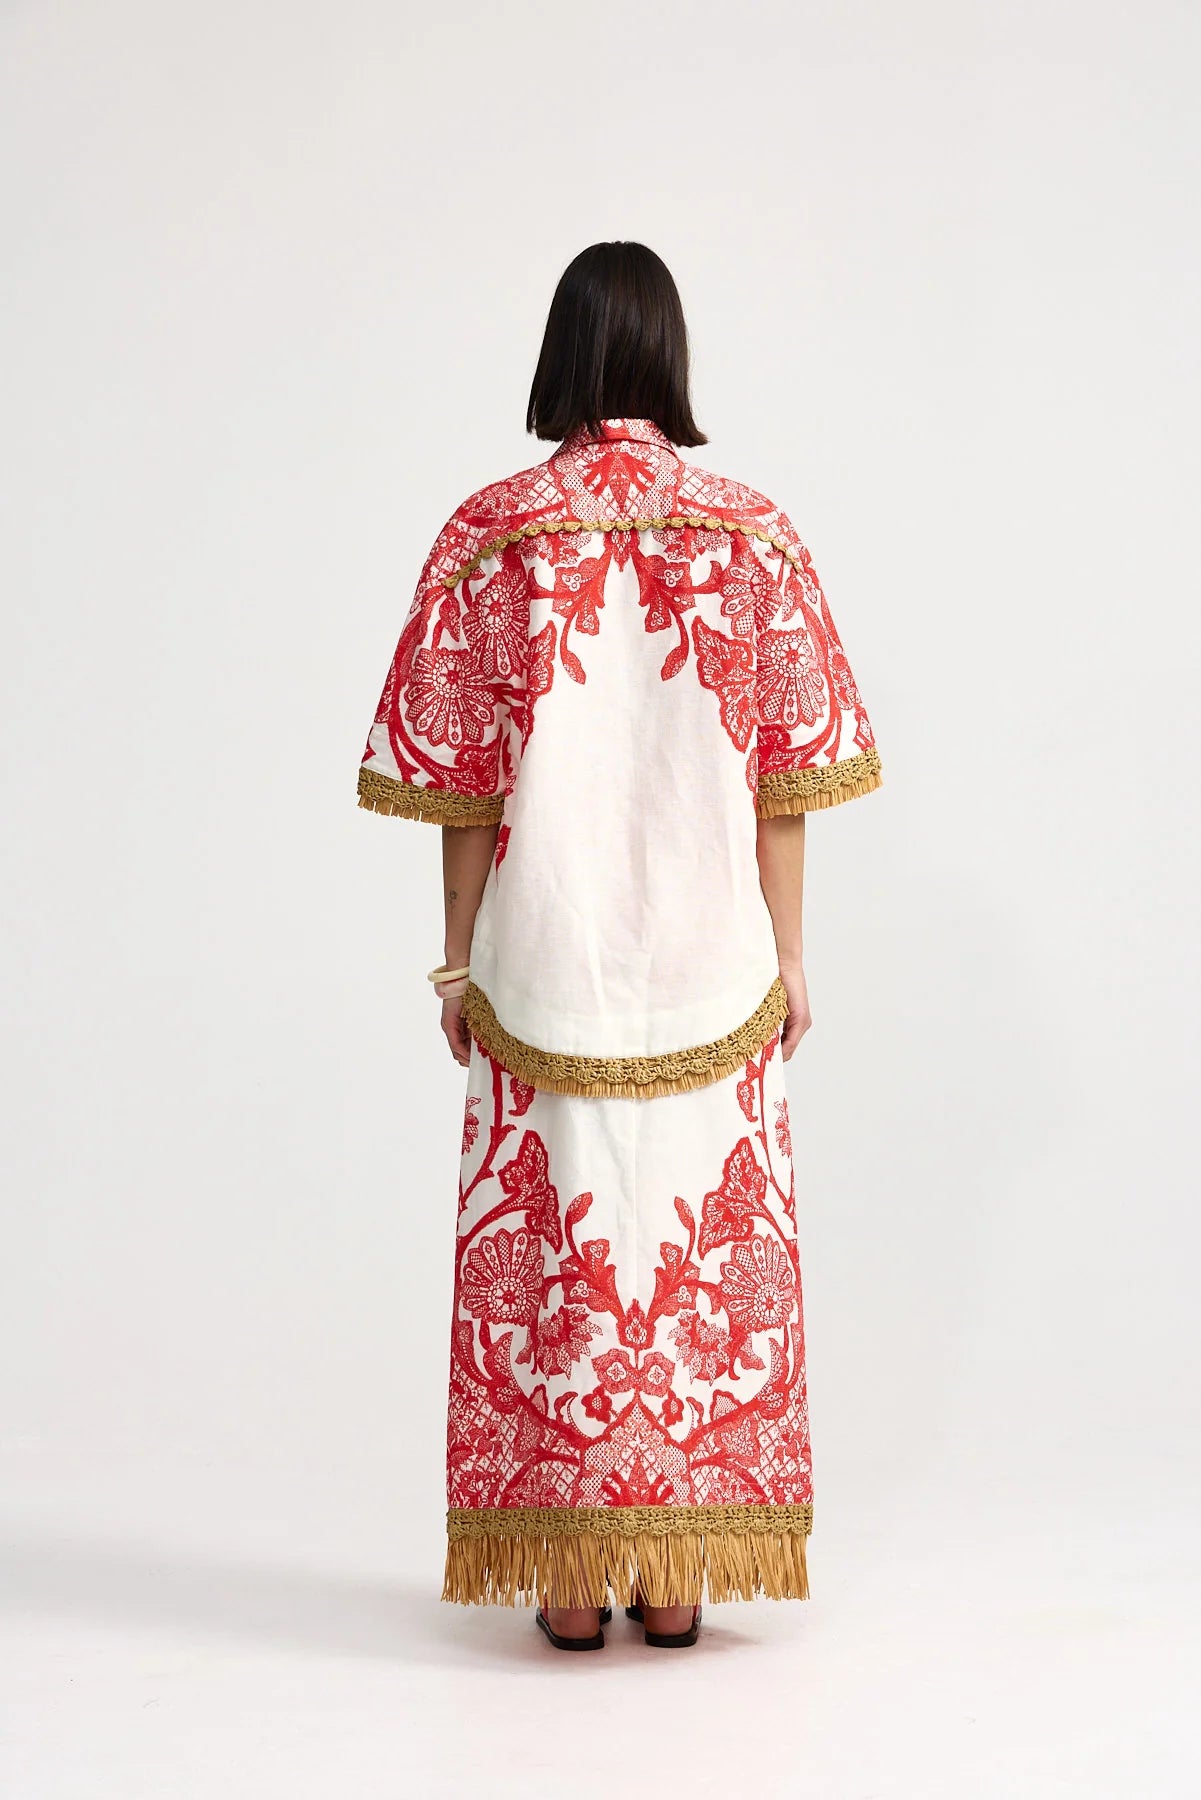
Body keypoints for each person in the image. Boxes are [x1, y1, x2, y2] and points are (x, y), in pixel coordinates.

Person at [357, 241, 882, 1652]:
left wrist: (457, 963)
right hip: (711, 957)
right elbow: (788, 780)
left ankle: (568, 1584)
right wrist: (789, 956)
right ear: (668, 355)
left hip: (547, 957)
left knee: (559, 1259)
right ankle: (681, 1577)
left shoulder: (490, 531)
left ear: (562, 355)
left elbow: (457, 787)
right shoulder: (753, 531)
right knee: (700, 1263)